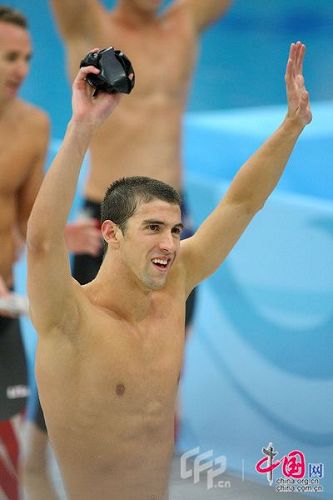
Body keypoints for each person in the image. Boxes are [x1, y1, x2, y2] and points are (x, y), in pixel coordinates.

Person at [27, 41, 311, 499]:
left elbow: (241, 204)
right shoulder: (69, 317)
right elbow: (41, 243)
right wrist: (82, 125)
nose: (169, 243)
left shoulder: (174, 287)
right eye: (153, 227)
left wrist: (291, 127)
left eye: (177, 230)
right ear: (111, 234)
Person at [0, 6, 101, 500]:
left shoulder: (34, 125)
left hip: (3, 305)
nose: (20, 68)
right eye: (7, 57)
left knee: (8, 454)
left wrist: (64, 235)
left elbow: (24, 220)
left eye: (27, 57)